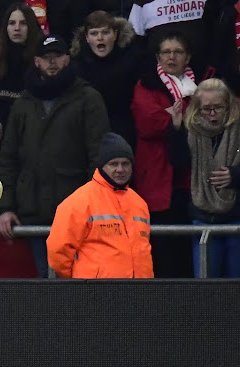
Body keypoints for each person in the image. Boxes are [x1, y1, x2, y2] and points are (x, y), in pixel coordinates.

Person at [0, 34, 109, 277]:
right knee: (47, 290)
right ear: (36, 61)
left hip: (76, 215)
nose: (52, 62)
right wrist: (5, 207)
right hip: (32, 211)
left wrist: (93, 207)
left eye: (57, 56)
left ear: (67, 59)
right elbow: (8, 158)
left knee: (78, 286)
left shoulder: (88, 98)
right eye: (46, 58)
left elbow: (99, 157)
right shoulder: (24, 102)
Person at [131, 31, 197, 277]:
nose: (172, 57)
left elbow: (205, 118)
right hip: (158, 179)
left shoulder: (198, 85)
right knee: (163, 251)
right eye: (166, 52)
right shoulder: (147, 83)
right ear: (158, 57)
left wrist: (175, 115)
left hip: (188, 180)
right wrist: (176, 118)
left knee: (186, 254)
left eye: (177, 52)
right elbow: (148, 121)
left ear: (187, 57)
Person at [47, 132, 154, 278]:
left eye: (125, 164)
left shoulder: (139, 203)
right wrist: (77, 282)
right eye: (113, 164)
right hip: (94, 293)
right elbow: (57, 251)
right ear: (102, 166)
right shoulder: (79, 201)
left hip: (139, 293)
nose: (120, 169)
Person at [183, 78, 240, 277]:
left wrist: (235, 175)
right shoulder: (189, 129)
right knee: (206, 286)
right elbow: (178, 162)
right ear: (197, 108)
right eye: (207, 109)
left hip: (236, 218)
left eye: (219, 107)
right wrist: (173, 131)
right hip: (202, 217)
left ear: (229, 105)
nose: (213, 114)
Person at [70, 10, 141, 148]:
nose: (100, 38)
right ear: (86, 38)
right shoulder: (77, 66)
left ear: (115, 35)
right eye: (94, 33)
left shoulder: (132, 60)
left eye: (105, 32)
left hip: (125, 134)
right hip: (89, 136)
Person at [0, 3, 45, 126]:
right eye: (12, 23)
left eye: (23, 23)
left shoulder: (42, 57)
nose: (17, 28)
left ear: (31, 26)